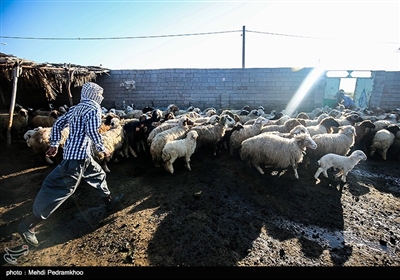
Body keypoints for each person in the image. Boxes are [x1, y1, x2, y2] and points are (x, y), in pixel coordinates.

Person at [18, 82, 124, 247]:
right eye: (100, 95)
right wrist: (103, 149)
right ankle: (29, 226)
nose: (101, 98)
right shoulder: (94, 109)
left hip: (81, 155)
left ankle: (109, 202)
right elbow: (92, 132)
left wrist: (54, 144)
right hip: (77, 158)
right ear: (96, 96)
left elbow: (58, 124)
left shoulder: (75, 108)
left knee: (99, 175)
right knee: (61, 189)